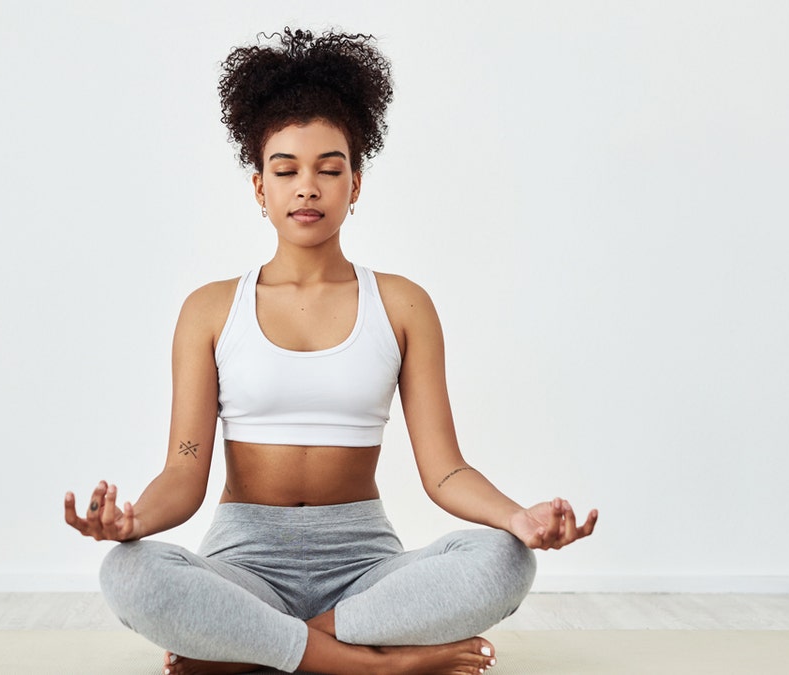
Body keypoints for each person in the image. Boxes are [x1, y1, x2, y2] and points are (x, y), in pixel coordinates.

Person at [64, 28, 597, 675]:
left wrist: (519, 516)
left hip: (364, 567)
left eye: (328, 168)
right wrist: (133, 520)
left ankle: (254, 649)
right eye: (286, 170)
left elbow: (445, 469)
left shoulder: (402, 305)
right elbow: (183, 468)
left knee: (506, 560)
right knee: (131, 573)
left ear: (357, 183)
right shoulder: (209, 310)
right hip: (245, 561)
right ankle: (375, 664)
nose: (307, 187)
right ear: (260, 188)